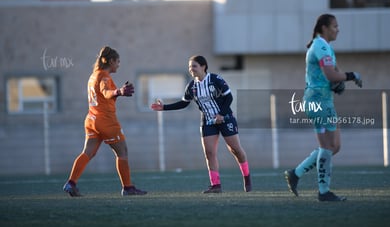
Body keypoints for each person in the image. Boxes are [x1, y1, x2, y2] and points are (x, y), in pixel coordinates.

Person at [284, 14, 362, 202]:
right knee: (328, 146)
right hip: (318, 101)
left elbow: (333, 74)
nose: (338, 29)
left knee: (334, 146)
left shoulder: (324, 46)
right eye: (335, 26)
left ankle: (296, 173)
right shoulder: (320, 45)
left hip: (321, 100)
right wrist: (351, 76)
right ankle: (323, 191)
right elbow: (331, 75)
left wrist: (339, 81)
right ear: (324, 28)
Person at [151, 55, 252, 193]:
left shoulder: (215, 79)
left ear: (203, 66)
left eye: (194, 66)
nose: (191, 69)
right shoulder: (192, 86)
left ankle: (247, 178)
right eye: (189, 67)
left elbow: (229, 97)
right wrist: (164, 108)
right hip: (207, 121)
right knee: (209, 153)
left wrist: (221, 114)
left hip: (225, 118)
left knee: (235, 150)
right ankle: (216, 185)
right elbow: (184, 103)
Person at [63, 46, 147, 197]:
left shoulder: (93, 75)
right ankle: (128, 188)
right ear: (111, 61)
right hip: (106, 121)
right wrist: (119, 91)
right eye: (118, 61)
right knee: (122, 152)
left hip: (91, 119)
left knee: (87, 153)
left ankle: (71, 183)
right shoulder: (104, 77)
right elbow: (105, 92)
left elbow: (101, 94)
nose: (119, 64)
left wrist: (117, 92)